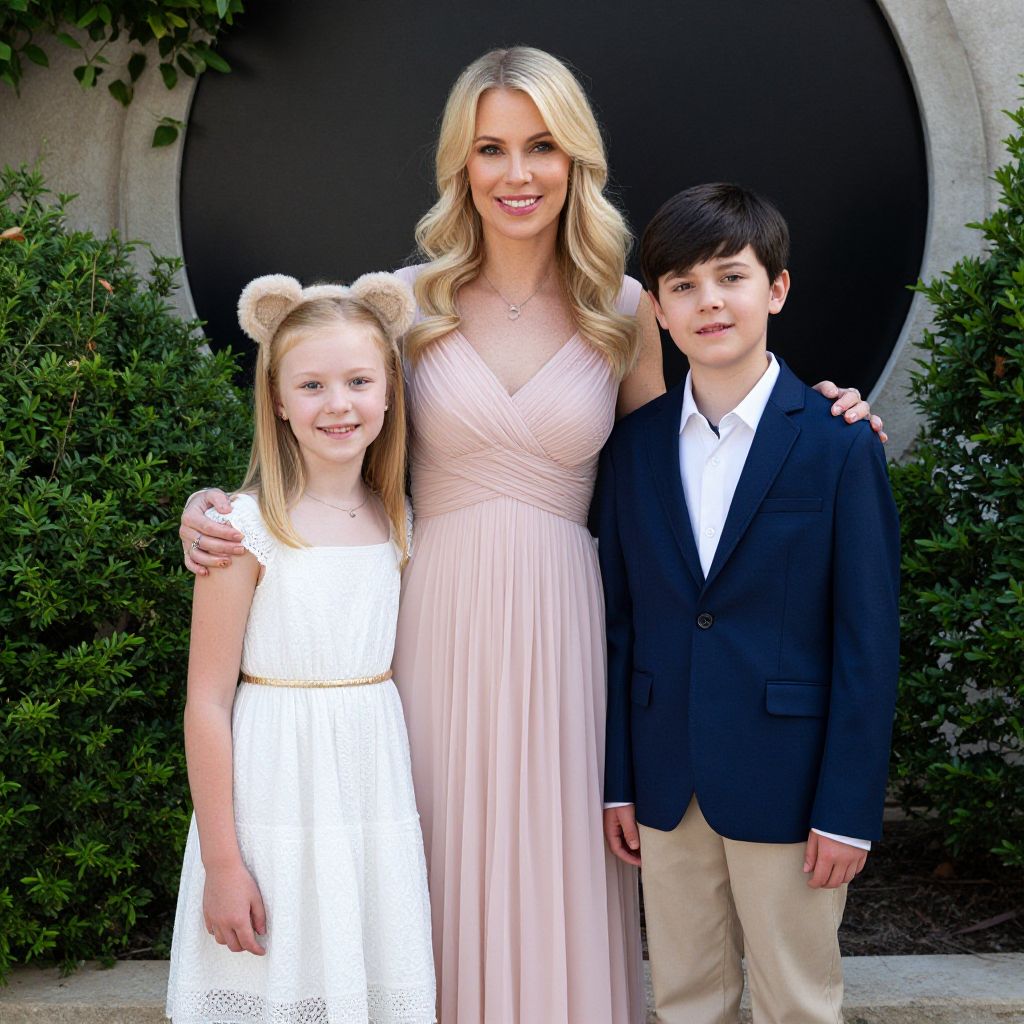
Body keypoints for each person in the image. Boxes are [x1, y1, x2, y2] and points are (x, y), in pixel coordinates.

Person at [178, 49, 883, 1024]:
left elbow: (673, 474)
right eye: (491, 149)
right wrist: (219, 504)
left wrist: (824, 413)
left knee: (560, 872)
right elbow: (325, 443)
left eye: (542, 146)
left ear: (575, 159)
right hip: (430, 629)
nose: (518, 172)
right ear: (460, 165)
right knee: (429, 869)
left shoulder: (625, 309)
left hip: (567, 633)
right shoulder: (403, 301)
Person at [598, 182, 901, 1024]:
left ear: (776, 288)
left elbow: (867, 644)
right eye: (683, 285)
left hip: (791, 782)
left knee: (795, 1000)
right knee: (685, 997)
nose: (709, 301)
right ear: (659, 312)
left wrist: (849, 810)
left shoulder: (839, 444)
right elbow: (622, 626)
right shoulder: (632, 449)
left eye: (731, 277)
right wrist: (619, 781)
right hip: (665, 780)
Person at [165, 272, 435, 1024]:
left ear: (389, 393)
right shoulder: (242, 529)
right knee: (275, 983)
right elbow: (206, 701)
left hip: (369, 790)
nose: (337, 404)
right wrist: (223, 863)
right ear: (278, 400)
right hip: (273, 793)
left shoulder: (400, 518)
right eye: (311, 385)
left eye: (358, 381)